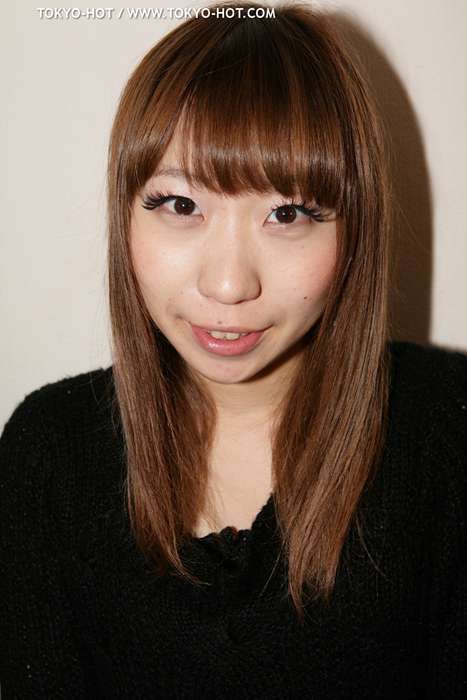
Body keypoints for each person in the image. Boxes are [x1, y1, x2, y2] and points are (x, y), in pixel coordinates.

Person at [1, 1, 466, 697]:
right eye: (180, 205)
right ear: (124, 213)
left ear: (354, 231)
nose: (228, 284)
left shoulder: (448, 432)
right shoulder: (49, 452)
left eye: (288, 213)